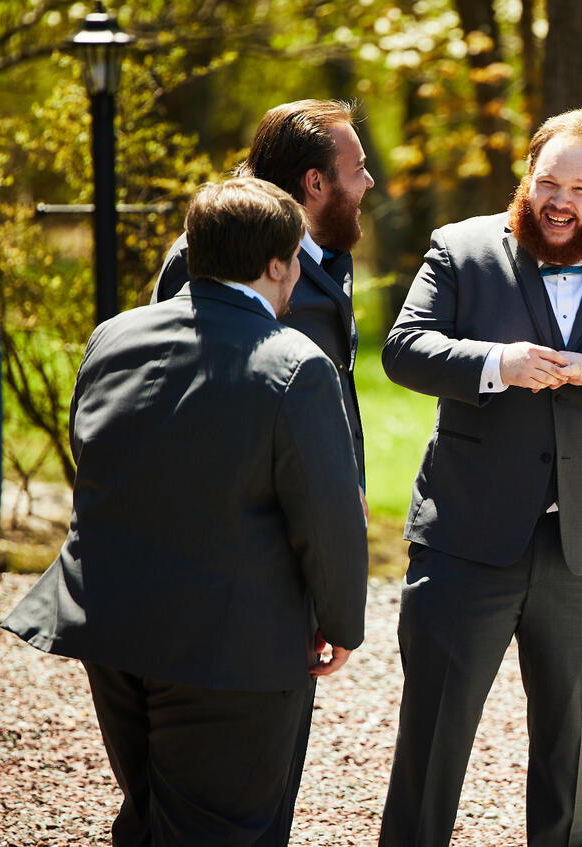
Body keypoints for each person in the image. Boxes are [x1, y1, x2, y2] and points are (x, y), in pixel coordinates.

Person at [0, 178, 369, 845]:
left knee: (148, 818)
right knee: (221, 830)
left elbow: (98, 462)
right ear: (278, 263)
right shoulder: (297, 365)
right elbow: (327, 518)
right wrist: (342, 621)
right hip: (229, 645)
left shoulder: (111, 337)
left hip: (112, 628)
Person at [377, 108, 582, 847]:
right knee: (430, 741)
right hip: (465, 535)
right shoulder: (459, 250)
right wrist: (495, 364)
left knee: (572, 753)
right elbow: (403, 349)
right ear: (526, 174)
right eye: (547, 180)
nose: (559, 200)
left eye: (579, 188)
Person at [152, 99, 375, 844]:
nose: (369, 183)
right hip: (233, 572)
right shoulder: (209, 258)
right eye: (356, 170)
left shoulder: (326, 251)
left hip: (298, 544)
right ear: (314, 183)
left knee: (270, 776)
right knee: (218, 796)